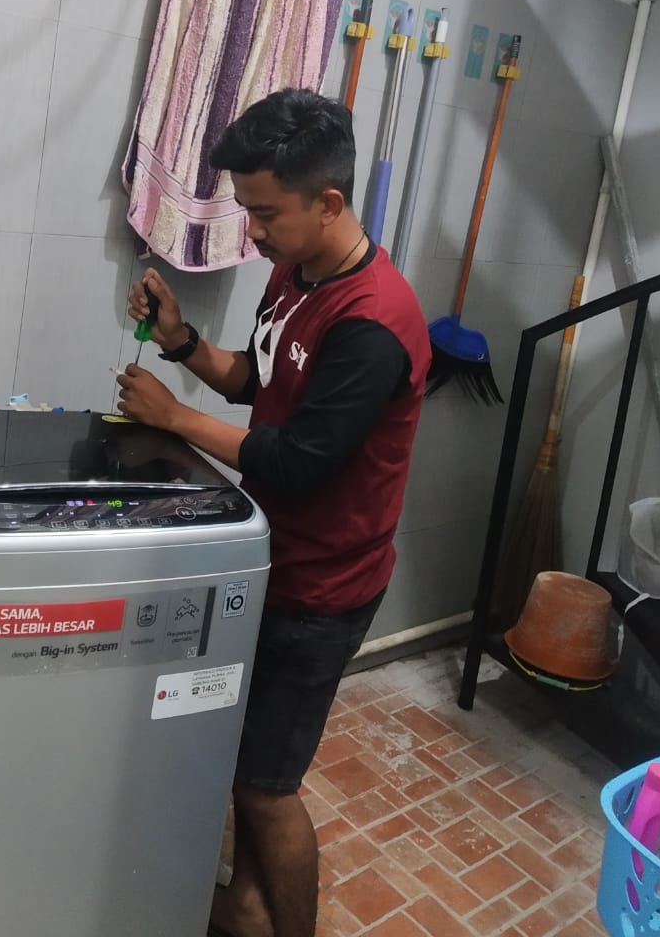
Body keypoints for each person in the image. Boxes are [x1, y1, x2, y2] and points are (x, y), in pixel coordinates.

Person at [116, 89, 431, 937]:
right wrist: (181, 342)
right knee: (244, 761)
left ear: (327, 202)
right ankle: (248, 909)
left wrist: (173, 419)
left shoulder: (374, 323)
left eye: (264, 214)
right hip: (271, 561)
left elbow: (296, 463)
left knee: (267, 787)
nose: (252, 233)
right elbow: (257, 386)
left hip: (323, 589)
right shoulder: (294, 276)